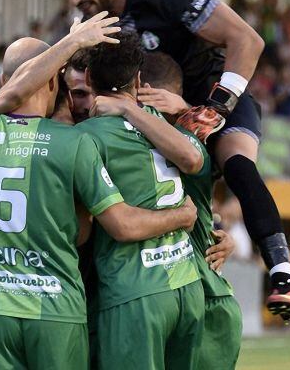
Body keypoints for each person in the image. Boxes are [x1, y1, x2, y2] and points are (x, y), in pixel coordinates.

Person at [0, 13, 198, 369]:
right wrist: (184, 215)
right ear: (53, 84)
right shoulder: (75, 143)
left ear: (2, 82)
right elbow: (92, 230)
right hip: (57, 310)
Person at [49, 0, 290, 321]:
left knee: (237, 165)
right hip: (151, 114)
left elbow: (247, 40)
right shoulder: (88, 25)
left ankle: (283, 277)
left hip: (214, 99)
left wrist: (212, 109)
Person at [76, 32, 207, 369]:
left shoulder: (85, 137)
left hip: (133, 291)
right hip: (187, 284)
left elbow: (106, 227)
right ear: (138, 79)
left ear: (88, 78)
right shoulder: (160, 121)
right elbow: (194, 160)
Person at [129, 49, 241, 369]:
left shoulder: (189, 141)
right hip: (182, 297)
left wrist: (187, 112)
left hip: (200, 296)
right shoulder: (124, 139)